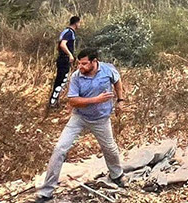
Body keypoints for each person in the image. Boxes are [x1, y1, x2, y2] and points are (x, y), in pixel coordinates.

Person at [36, 49, 126, 202]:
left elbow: (117, 81)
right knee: (59, 149)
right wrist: (96, 100)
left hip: (101, 119)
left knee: (109, 148)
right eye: (79, 63)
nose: (80, 67)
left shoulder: (108, 69)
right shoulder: (76, 77)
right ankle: (46, 192)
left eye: (84, 64)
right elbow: (73, 101)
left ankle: (117, 175)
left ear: (94, 61)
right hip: (79, 117)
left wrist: (120, 100)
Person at [48, 15, 80, 108]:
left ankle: (55, 102)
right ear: (76, 23)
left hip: (62, 58)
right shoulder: (69, 32)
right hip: (64, 59)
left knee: (60, 80)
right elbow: (62, 44)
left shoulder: (65, 31)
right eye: (79, 23)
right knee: (62, 80)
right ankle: (53, 103)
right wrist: (69, 55)